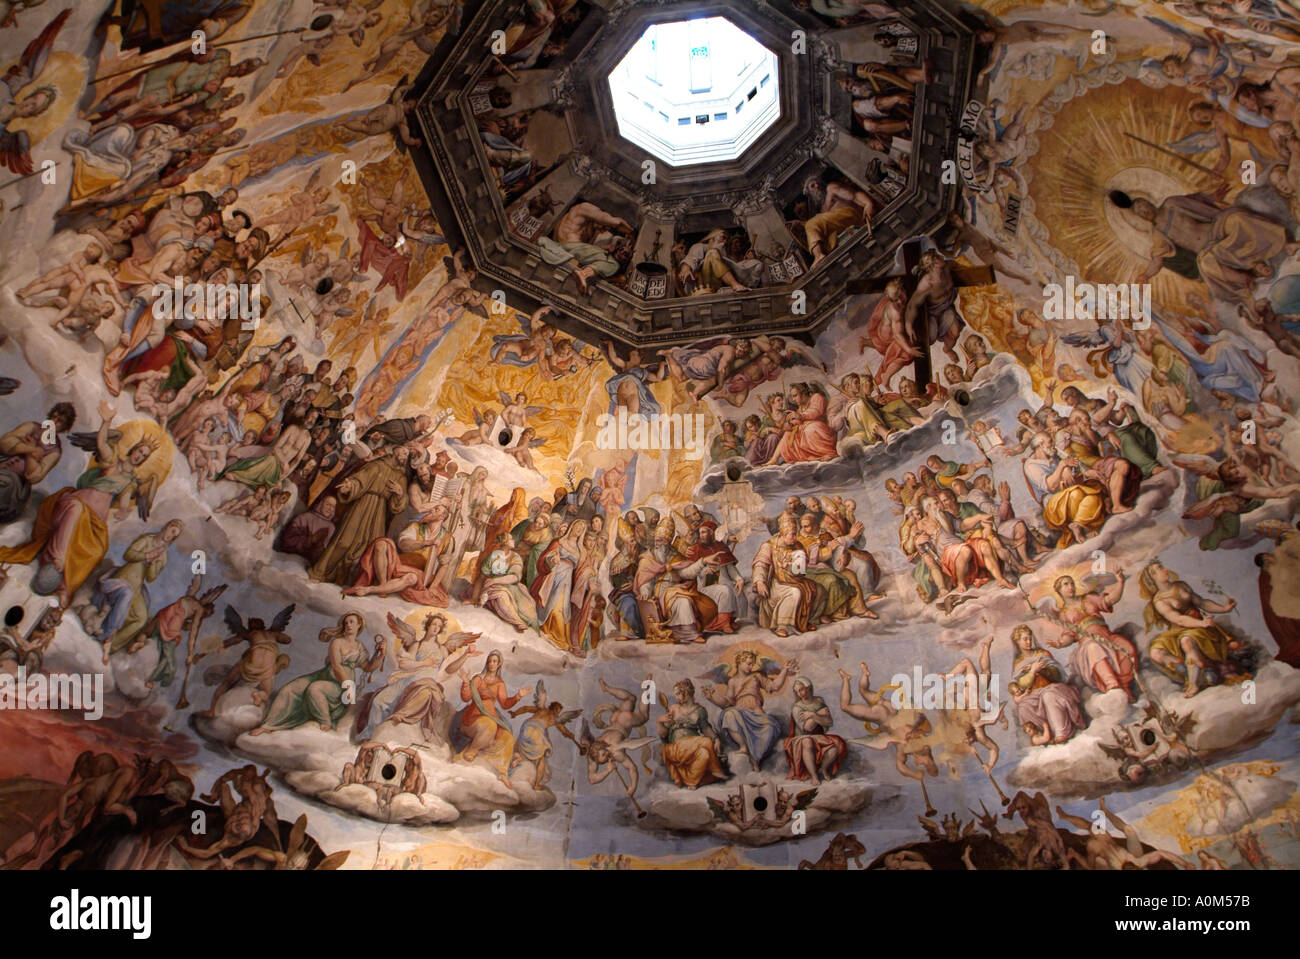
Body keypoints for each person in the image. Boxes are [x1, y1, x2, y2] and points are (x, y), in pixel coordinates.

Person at [249, 612, 384, 734]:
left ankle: (325, 721)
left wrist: (380, 655)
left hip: (340, 686)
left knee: (315, 689)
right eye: (346, 622)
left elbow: (368, 667)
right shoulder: (337, 642)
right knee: (289, 689)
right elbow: (336, 666)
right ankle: (268, 725)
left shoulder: (359, 647)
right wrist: (348, 685)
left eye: (351, 622)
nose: (348, 625)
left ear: (359, 625)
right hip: (329, 677)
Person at [1140, 561, 1248, 697]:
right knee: (1156, 652)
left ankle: (1194, 684)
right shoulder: (1159, 601)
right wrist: (1201, 623)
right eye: (1160, 568)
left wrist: (1223, 609)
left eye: (1163, 566)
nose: (1165, 569)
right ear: (1153, 576)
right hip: (1182, 628)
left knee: (1187, 641)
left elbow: (1201, 603)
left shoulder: (1181, 586)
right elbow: (1178, 619)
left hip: (1199, 628)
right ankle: (1195, 670)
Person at [705, 651, 797, 772]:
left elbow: (774, 686)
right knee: (729, 714)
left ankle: (755, 759)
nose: (751, 667)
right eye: (748, 664)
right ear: (739, 662)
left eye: (752, 664)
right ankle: (744, 747)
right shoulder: (732, 681)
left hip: (757, 712)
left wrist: (784, 670)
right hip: (740, 712)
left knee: (769, 727)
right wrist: (712, 698)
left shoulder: (756, 676)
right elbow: (727, 704)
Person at [455, 651, 530, 786]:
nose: (491, 664)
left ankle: (502, 773)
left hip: (492, 718)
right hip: (473, 718)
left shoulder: (500, 684)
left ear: (499, 664)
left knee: (508, 737)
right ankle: (472, 750)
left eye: (495, 661)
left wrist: (518, 696)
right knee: (490, 725)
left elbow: (505, 704)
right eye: (490, 661)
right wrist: (466, 683)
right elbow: (466, 697)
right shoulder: (478, 679)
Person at [1007, 626, 1086, 745]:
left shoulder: (1043, 654)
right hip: (1033, 694)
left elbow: (1057, 675)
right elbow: (1021, 684)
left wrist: (1041, 670)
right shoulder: (1018, 664)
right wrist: (1032, 671)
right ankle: (1043, 735)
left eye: (1029, 638)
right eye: (1025, 639)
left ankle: (1061, 733)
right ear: (1017, 641)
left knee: (1048, 695)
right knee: (1023, 707)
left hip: (1053, 688)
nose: (1029, 642)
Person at [657, 679, 727, 788]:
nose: (676, 697)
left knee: (705, 753)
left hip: (694, 748)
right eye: (675, 694)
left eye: (678, 694)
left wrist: (716, 739)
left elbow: (706, 728)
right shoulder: (674, 709)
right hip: (676, 748)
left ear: (686, 692)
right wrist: (660, 722)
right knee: (706, 741)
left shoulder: (700, 710)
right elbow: (663, 734)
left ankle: (691, 781)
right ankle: (716, 769)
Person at [784, 678, 845, 783]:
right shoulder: (797, 708)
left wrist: (812, 715)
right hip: (801, 738)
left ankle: (823, 769)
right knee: (807, 742)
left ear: (808, 688)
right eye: (797, 691)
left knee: (834, 749)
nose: (799, 693)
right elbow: (807, 728)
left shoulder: (819, 701)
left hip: (819, 737)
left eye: (801, 689)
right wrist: (820, 714)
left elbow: (829, 722)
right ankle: (814, 776)